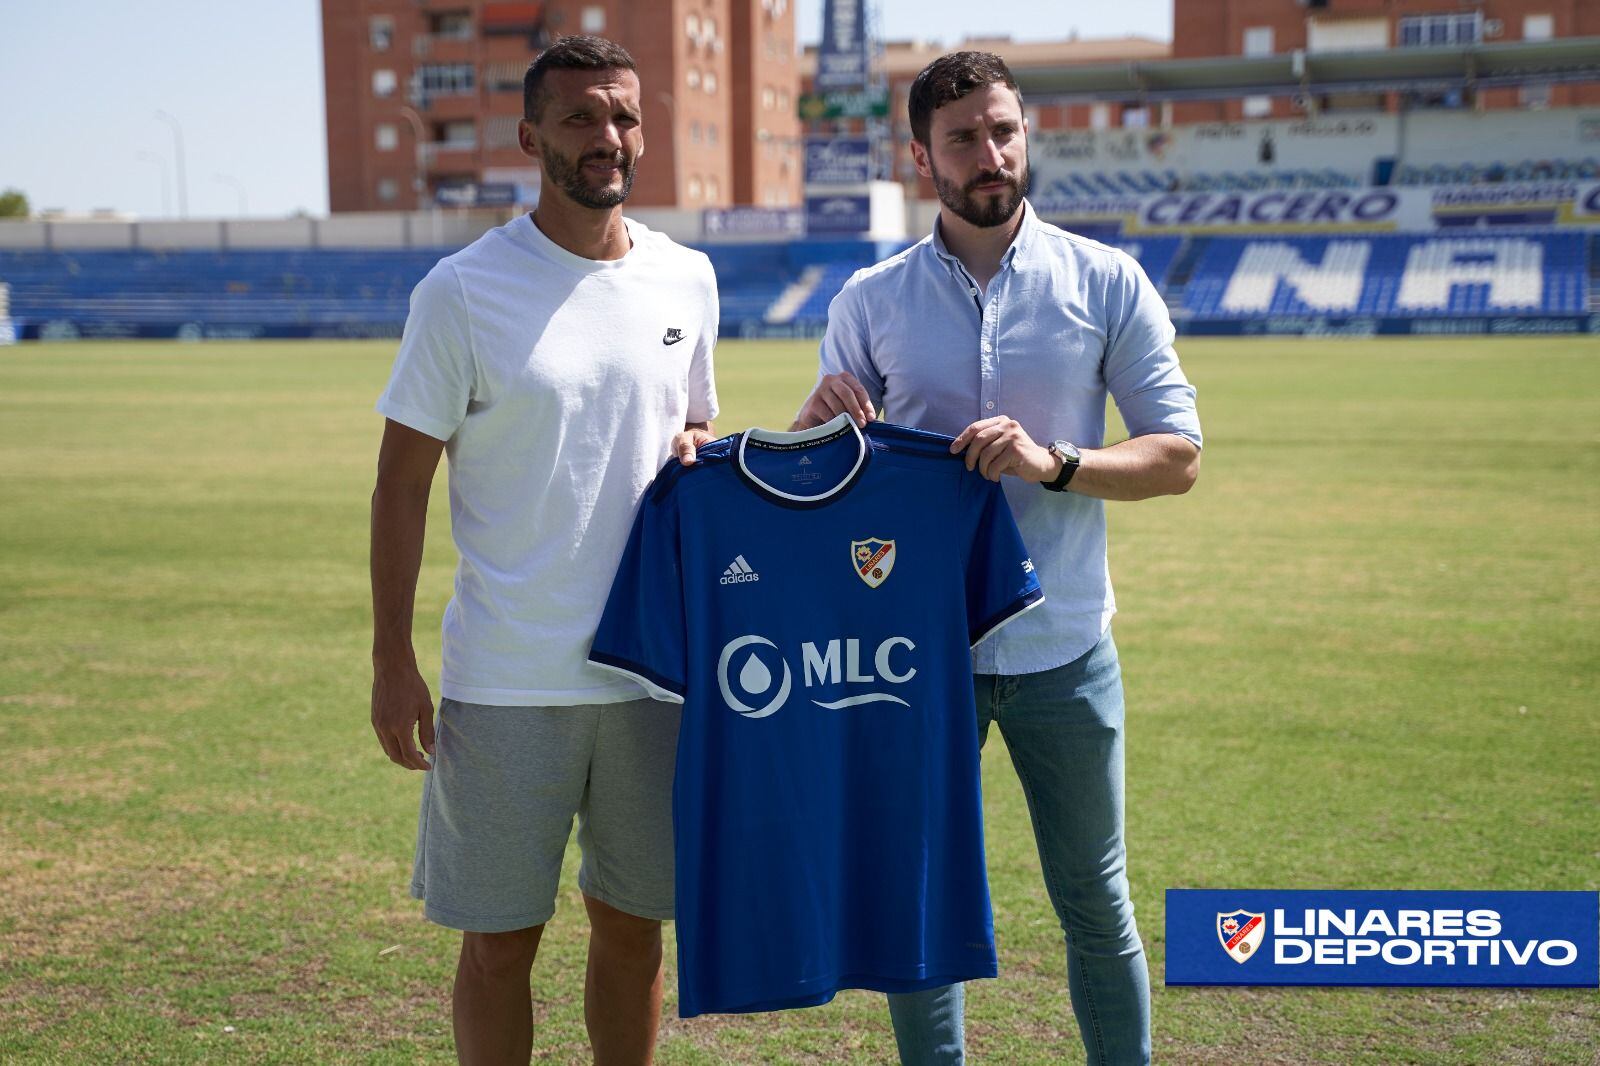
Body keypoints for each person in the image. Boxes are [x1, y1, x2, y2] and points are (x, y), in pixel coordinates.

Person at [793, 51, 1203, 1066]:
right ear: (921, 155)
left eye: (1004, 130)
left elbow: (1177, 456)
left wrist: (1054, 461)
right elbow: (828, 489)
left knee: (1094, 899)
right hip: (915, 654)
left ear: (1027, 134)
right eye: (964, 138)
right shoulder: (870, 299)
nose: (991, 153)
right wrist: (812, 431)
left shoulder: (1106, 280)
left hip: (1065, 647)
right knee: (916, 900)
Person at [368, 36, 718, 1066]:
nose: (605, 137)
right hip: (510, 676)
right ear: (530, 137)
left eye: (622, 116)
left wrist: (697, 449)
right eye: (578, 118)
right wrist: (392, 658)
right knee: (498, 945)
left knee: (632, 934)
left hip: (650, 673)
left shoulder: (684, 279)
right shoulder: (463, 290)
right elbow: (400, 482)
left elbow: (690, 439)